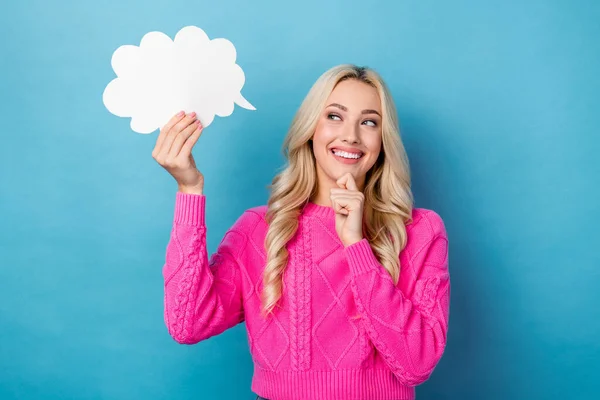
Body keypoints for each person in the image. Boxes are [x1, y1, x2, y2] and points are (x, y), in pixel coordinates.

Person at [153, 64, 450, 400]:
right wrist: (189, 190)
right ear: (311, 129)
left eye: (369, 122)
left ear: (384, 140)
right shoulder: (261, 228)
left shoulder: (421, 230)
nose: (351, 135)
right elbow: (187, 323)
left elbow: (418, 365)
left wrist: (356, 245)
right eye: (334, 116)